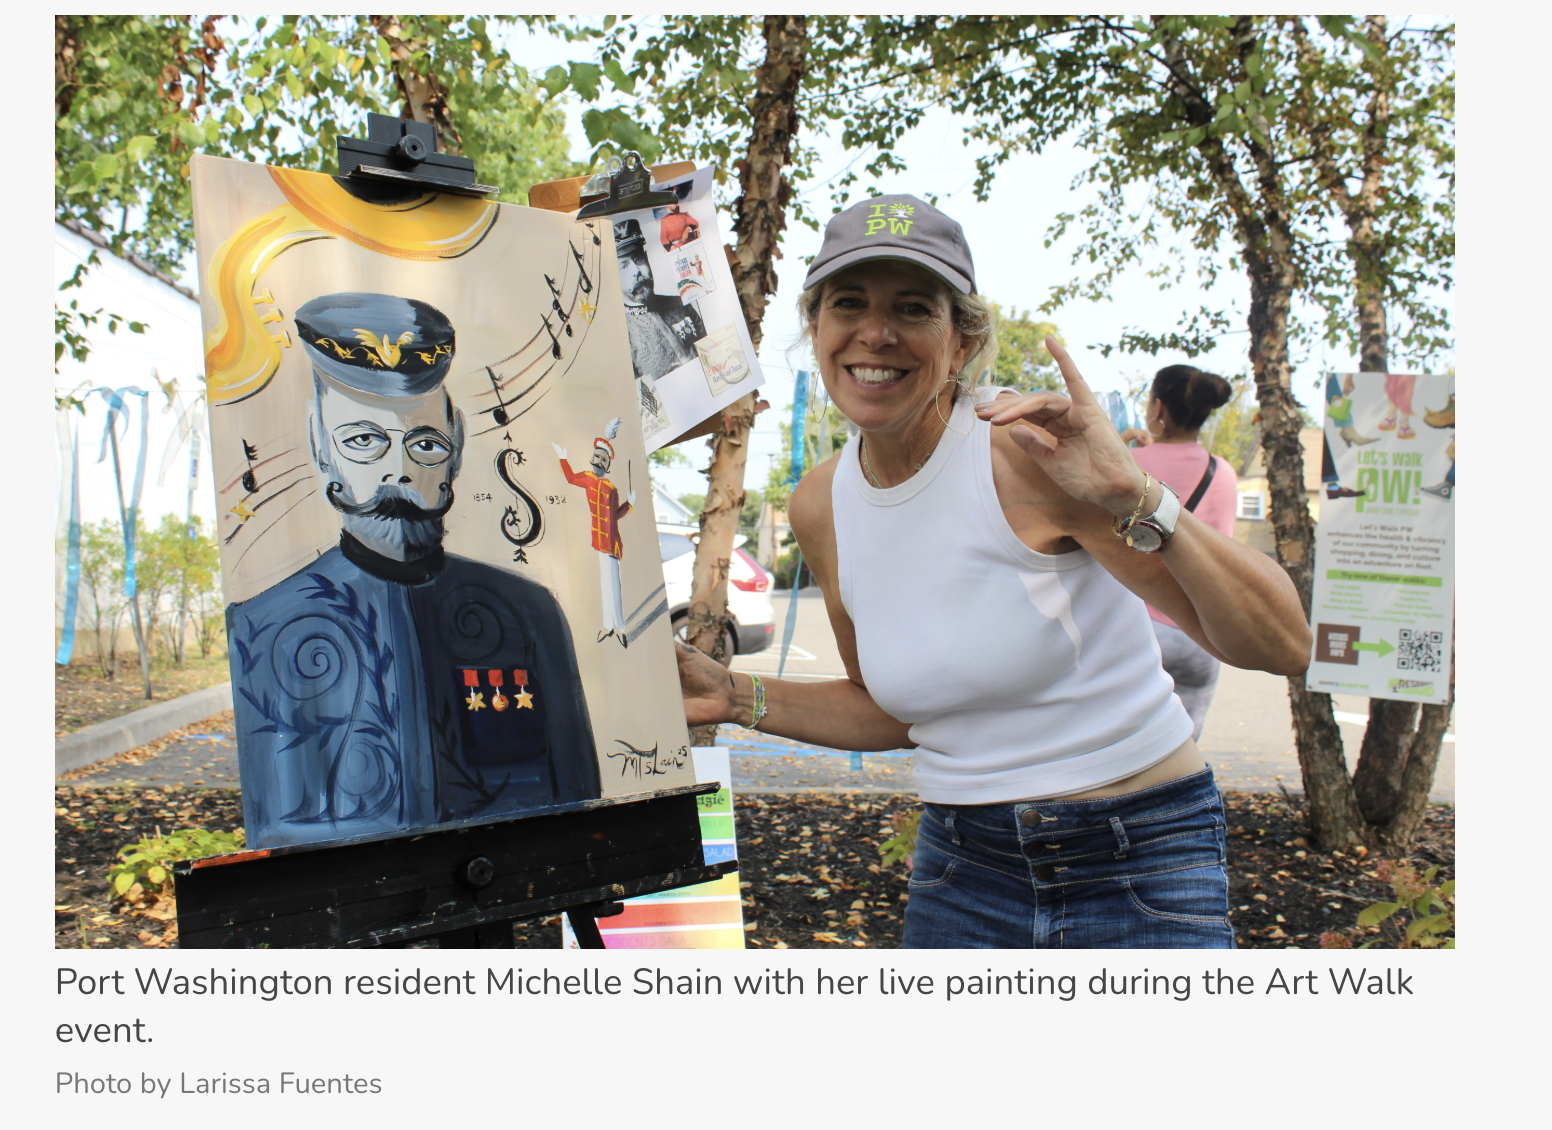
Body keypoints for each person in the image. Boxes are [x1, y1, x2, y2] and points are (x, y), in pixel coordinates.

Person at [675, 195, 1311, 949]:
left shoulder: (1024, 450)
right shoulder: (821, 505)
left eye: (914, 308)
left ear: (962, 338)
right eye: (850, 303)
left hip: (1138, 855)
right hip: (962, 870)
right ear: (816, 328)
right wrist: (729, 695)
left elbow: (1282, 644)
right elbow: (892, 710)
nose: (876, 334)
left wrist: (1135, 495)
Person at [229, 292, 600, 849]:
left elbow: (578, 809)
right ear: (319, 448)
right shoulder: (260, 629)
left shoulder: (528, 614)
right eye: (362, 442)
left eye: (424, 445)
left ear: (456, 451)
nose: (398, 473)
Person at [1119, 365, 1241, 743]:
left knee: (1118, 750)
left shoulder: (1130, 466)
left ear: (1158, 408)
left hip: (1134, 628)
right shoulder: (1224, 472)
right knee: (1182, 750)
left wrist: (1123, 445)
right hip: (1200, 632)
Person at [553, 418, 637, 647]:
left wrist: (629, 505)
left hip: (612, 542)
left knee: (614, 586)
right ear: (592, 459)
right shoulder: (587, 480)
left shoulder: (611, 489)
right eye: (597, 457)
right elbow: (569, 478)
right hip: (598, 540)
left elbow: (616, 515)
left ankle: (620, 628)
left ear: (608, 465)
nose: (599, 461)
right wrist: (563, 457)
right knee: (604, 583)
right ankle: (608, 625)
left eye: (603, 459)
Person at [613, 218, 706, 381]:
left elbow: (710, 357)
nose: (636, 271)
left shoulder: (681, 304)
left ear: (647, 258)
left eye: (639, 259)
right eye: (624, 266)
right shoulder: (620, 338)